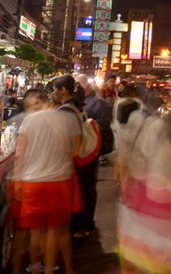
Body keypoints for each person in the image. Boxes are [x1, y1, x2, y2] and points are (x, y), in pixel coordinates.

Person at [12, 84, 82, 274]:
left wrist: (18, 181)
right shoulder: (68, 119)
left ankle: (35, 267)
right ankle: (50, 269)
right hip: (59, 180)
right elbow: (77, 151)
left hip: (32, 182)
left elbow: (20, 154)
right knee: (54, 229)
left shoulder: (28, 121)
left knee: (36, 228)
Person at [73, 75, 110, 238]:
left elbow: (104, 125)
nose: (76, 88)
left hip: (90, 151)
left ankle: (87, 224)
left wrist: (88, 126)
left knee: (87, 188)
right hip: (78, 151)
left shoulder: (98, 103)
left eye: (78, 84)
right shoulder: (76, 105)